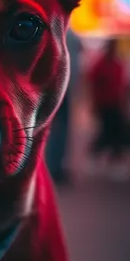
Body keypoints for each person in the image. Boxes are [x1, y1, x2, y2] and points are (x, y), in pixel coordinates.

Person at [86, 38, 128, 178]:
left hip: (115, 103)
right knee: (106, 132)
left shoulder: (118, 64)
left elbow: (123, 86)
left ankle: (115, 163)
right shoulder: (100, 64)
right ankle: (94, 155)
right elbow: (93, 84)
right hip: (104, 103)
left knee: (117, 134)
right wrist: (93, 104)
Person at [46, 28, 81, 184]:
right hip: (61, 88)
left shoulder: (54, 30)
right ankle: (54, 167)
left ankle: (54, 167)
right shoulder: (70, 35)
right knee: (59, 130)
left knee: (55, 130)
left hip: (55, 88)